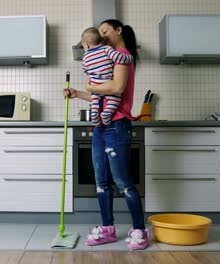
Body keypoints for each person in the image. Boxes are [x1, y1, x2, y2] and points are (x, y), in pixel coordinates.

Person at [64, 19, 149, 250]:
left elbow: (116, 88)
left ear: (118, 30)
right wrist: (77, 93)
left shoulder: (120, 53)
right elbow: (99, 92)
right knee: (101, 183)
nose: (101, 36)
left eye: (105, 31)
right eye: (99, 33)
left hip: (117, 124)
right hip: (101, 128)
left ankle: (140, 230)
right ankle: (108, 228)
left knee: (123, 183)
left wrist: (90, 87)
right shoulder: (103, 55)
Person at [81, 27, 133, 126]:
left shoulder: (85, 56)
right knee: (114, 99)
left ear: (86, 44)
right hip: (107, 82)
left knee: (95, 100)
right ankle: (106, 113)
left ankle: (95, 112)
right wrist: (129, 59)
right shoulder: (106, 49)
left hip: (95, 85)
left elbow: (85, 69)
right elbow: (118, 58)